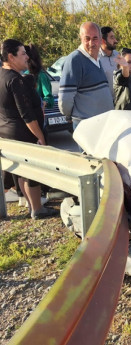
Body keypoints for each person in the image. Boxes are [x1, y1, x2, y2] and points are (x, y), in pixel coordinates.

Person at [0, 39, 55, 219]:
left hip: (6, 132)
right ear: (11, 56)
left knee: (21, 171)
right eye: (23, 53)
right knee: (32, 171)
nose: (27, 56)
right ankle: (38, 209)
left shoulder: (1, 75)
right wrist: (40, 136)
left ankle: (32, 206)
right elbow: (27, 115)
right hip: (22, 133)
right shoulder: (16, 80)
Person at [59, 22, 114, 130]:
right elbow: (65, 100)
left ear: (100, 39)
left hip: (102, 124)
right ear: (81, 38)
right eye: (87, 38)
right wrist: (72, 116)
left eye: (95, 38)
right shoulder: (74, 60)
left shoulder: (97, 59)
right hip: (87, 126)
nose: (91, 43)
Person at [24, 44, 54, 109]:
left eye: (24, 55)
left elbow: (49, 98)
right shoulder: (21, 74)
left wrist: (43, 103)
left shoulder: (41, 75)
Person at [98, 26, 119, 98]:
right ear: (103, 41)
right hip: (103, 102)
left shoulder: (118, 56)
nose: (115, 41)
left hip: (118, 101)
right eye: (112, 38)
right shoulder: (96, 58)